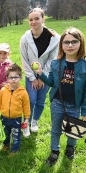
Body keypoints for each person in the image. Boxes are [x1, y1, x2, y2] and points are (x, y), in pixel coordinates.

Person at [33, 27, 86, 166]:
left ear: (81, 43)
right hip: (57, 103)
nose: (70, 45)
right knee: (55, 129)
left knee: (72, 131)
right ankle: (55, 151)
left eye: (74, 42)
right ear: (61, 45)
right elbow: (52, 83)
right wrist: (41, 73)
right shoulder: (56, 63)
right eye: (66, 42)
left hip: (75, 105)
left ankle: (70, 147)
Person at [20, 8, 60, 137]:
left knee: (41, 101)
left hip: (47, 76)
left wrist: (42, 76)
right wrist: (32, 77)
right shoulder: (25, 38)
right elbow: (24, 59)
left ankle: (35, 122)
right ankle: (26, 123)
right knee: (30, 100)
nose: (33, 22)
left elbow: (52, 59)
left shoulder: (54, 38)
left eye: (37, 18)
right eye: (31, 19)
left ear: (43, 19)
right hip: (30, 75)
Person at [0, 63, 30, 157]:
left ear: (21, 77)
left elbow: (26, 106)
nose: (13, 79)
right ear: (7, 78)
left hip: (16, 119)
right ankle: (6, 145)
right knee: (6, 133)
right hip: (4, 117)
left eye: (16, 77)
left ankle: (14, 150)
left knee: (16, 135)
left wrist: (26, 118)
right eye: (11, 77)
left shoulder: (23, 92)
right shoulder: (3, 90)